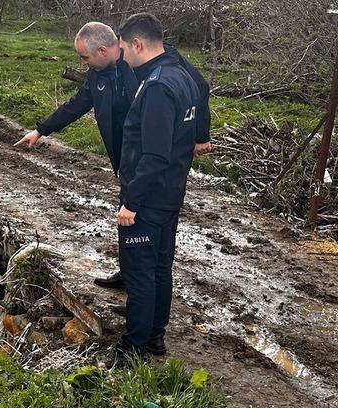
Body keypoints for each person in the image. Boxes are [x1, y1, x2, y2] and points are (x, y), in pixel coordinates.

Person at [14, 21, 211, 295]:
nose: (82, 63)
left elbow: (199, 88)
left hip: (153, 156)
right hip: (124, 156)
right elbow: (76, 105)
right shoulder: (98, 74)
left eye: (85, 57)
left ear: (104, 50)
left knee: (145, 218)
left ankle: (141, 292)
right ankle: (130, 275)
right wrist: (41, 130)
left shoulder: (153, 62)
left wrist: (201, 134)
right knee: (127, 215)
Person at [109, 12, 200, 365]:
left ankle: (132, 349)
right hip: (170, 193)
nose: (123, 57)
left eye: (123, 49)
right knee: (161, 267)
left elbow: (155, 154)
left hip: (148, 197)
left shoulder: (159, 85)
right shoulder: (183, 76)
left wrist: (131, 202)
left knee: (140, 273)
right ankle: (155, 339)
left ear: (136, 43)